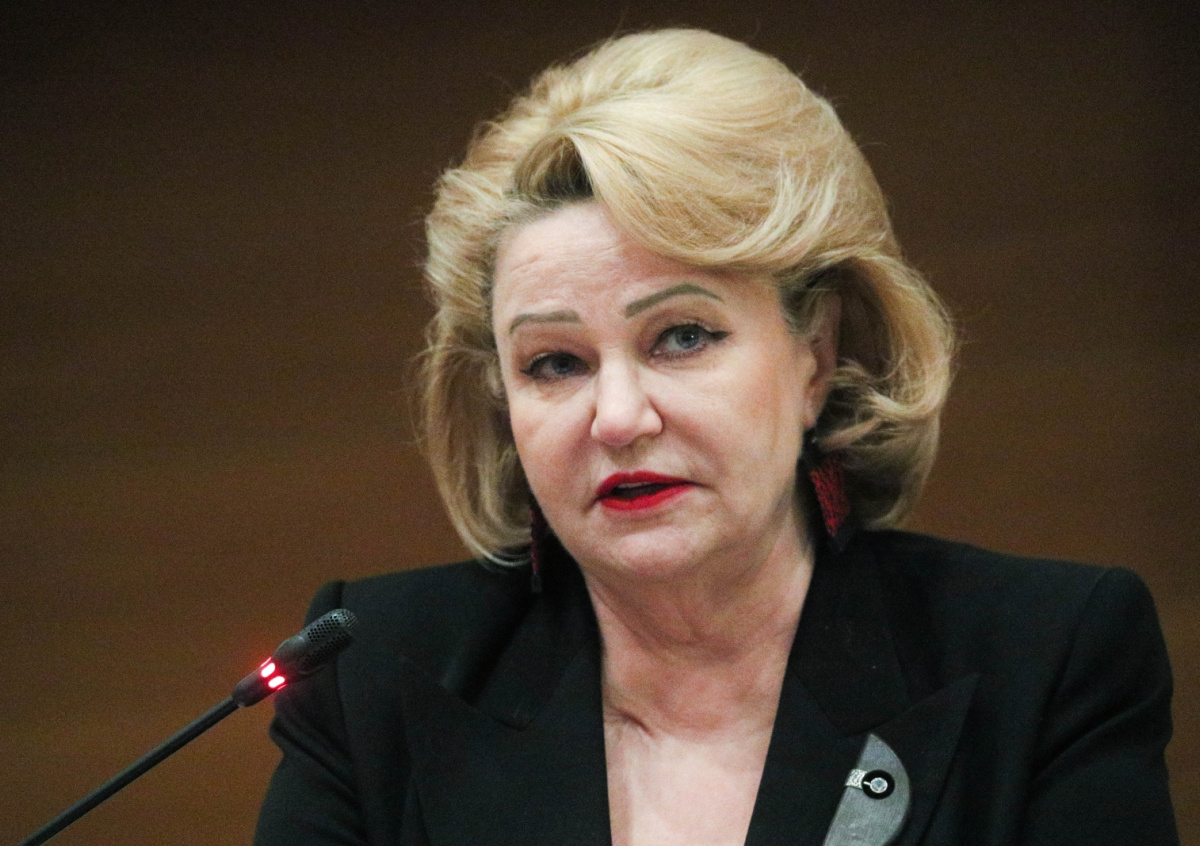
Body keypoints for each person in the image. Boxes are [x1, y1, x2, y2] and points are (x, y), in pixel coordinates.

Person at [254, 28, 1177, 846]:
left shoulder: (1045, 659)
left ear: (815, 355)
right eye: (555, 363)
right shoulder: (370, 681)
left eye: (683, 337)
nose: (619, 417)